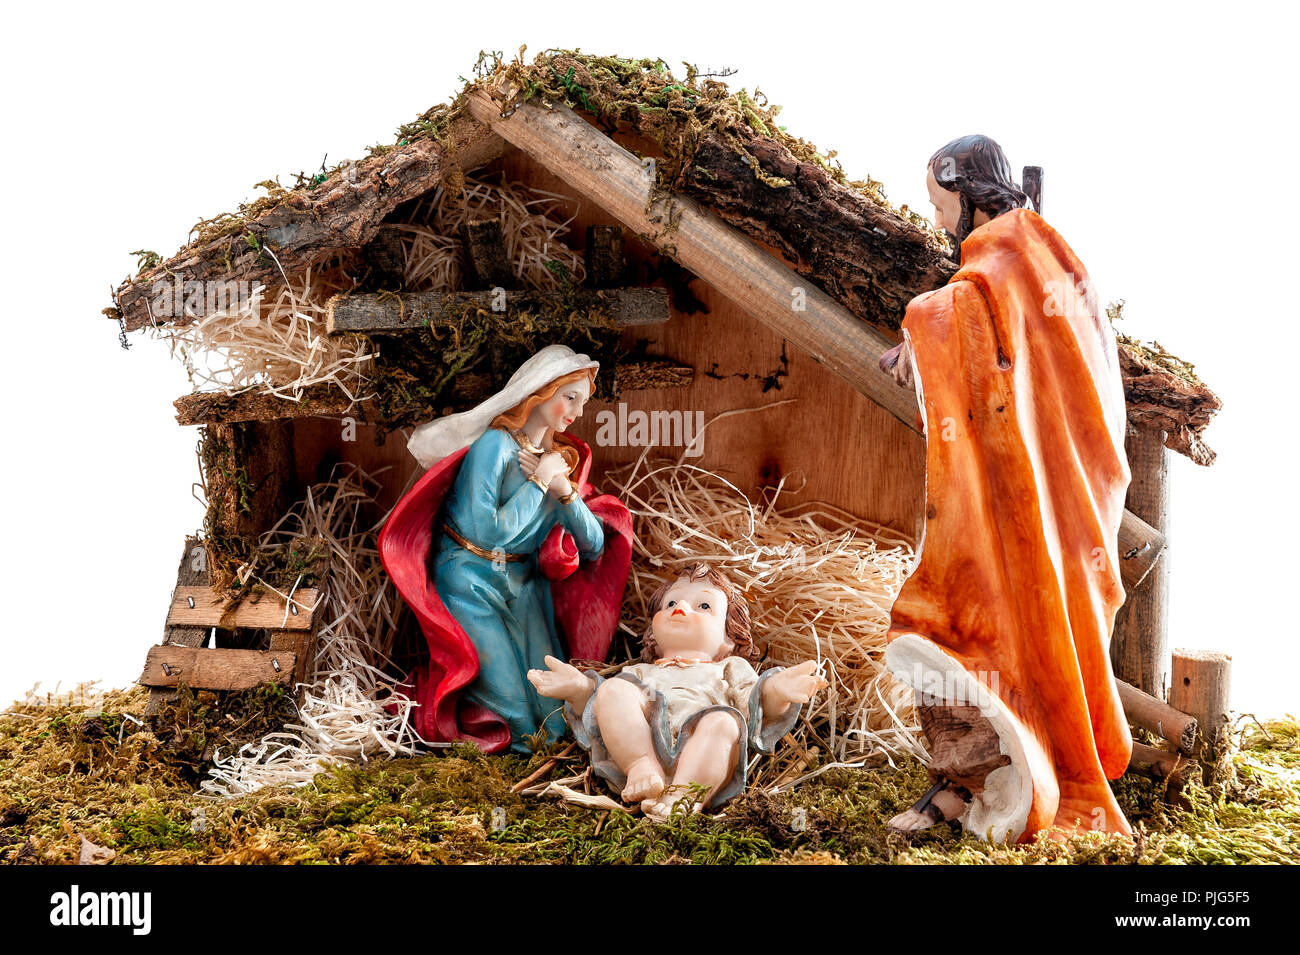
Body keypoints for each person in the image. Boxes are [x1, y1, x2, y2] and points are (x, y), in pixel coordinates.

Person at [879, 135, 1134, 842]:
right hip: (1022, 493)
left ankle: (979, 783)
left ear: (968, 192)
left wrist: (919, 331)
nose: (937, 222)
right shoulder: (1030, 253)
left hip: (1026, 500)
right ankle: (977, 778)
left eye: (940, 205)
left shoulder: (1008, 255)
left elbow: (973, 320)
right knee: (989, 630)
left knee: (966, 622)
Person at [379, 345, 632, 754]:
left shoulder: (558, 460)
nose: (577, 412)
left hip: (524, 586)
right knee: (514, 712)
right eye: (571, 398)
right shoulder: (493, 447)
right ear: (540, 392)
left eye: (583, 402)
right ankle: (499, 770)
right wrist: (536, 485)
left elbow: (594, 545)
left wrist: (564, 490)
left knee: (552, 713)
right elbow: (490, 532)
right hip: (469, 581)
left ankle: (541, 772)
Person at [528, 562, 826, 820]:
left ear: (729, 640)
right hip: (642, 753)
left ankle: (683, 797)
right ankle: (641, 766)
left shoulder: (728, 667)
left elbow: (754, 704)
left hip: (704, 754)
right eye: (671, 604)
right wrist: (579, 689)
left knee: (724, 722)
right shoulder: (640, 673)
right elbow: (602, 714)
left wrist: (778, 691)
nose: (680, 609)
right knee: (615, 690)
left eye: (704, 606)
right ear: (653, 636)